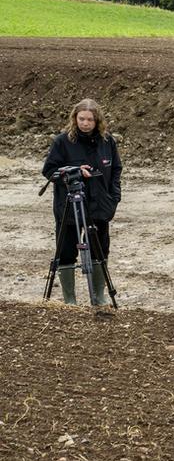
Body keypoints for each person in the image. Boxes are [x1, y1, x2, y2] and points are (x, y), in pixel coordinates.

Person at [41, 98, 122, 306]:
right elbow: (49, 170)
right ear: (75, 119)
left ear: (97, 121)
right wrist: (72, 173)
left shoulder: (107, 141)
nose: (85, 123)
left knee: (100, 248)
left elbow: (116, 171)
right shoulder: (62, 141)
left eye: (90, 120)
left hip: (100, 206)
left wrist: (114, 198)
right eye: (81, 119)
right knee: (67, 250)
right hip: (69, 205)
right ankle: (70, 300)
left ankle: (99, 296)